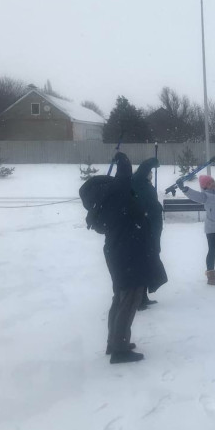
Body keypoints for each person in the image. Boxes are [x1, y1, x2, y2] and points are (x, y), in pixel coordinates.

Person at [81, 152, 168, 364]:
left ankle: (115, 342)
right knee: (128, 301)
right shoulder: (115, 198)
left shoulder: (103, 204)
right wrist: (124, 161)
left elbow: (123, 184)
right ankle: (119, 348)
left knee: (120, 298)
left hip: (120, 252)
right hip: (128, 254)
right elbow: (123, 180)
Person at [177, 162, 215, 285]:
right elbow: (194, 195)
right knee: (212, 251)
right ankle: (211, 277)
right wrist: (184, 188)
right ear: (204, 187)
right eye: (209, 183)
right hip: (214, 229)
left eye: (212, 181)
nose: (212, 184)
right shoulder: (204, 196)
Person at [131, 157, 163, 310]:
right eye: (149, 172)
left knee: (149, 261)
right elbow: (143, 169)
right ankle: (138, 298)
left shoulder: (144, 184)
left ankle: (143, 296)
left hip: (153, 229)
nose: (150, 174)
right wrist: (151, 162)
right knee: (144, 262)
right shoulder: (137, 181)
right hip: (145, 228)